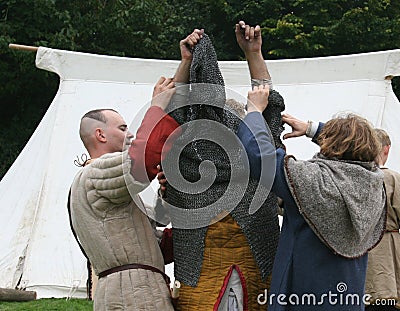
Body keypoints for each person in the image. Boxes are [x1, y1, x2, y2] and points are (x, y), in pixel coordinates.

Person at [69, 30, 202, 311]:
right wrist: (156, 107)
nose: (129, 134)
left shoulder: (107, 184)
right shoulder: (94, 176)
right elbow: (141, 160)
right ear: (100, 135)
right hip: (132, 296)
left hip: (135, 290)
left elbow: (159, 248)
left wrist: (185, 65)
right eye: (121, 128)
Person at [237, 64, 387, 309]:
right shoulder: (374, 184)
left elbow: (259, 157)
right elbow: (354, 147)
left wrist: (253, 111)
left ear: (331, 145)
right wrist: (312, 129)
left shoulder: (314, 181)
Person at [157, 21, 284, 310]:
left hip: (256, 270)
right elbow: (172, 121)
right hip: (200, 275)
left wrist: (254, 53)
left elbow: (269, 113)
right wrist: (253, 54)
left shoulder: (258, 164)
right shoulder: (187, 164)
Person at [365, 129, 400, 310]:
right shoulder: (393, 178)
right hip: (385, 254)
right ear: (386, 149)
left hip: (355, 250)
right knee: (384, 298)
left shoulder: (351, 176)